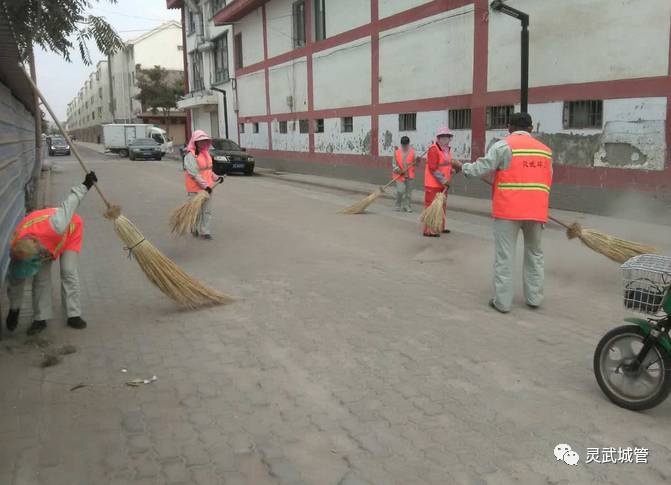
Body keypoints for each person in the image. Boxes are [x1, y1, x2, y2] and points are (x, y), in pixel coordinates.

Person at [452, 112, 553, 313]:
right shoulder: (545, 152)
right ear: (531, 129)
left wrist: (461, 167)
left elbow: (479, 169)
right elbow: (547, 180)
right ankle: (534, 298)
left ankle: (503, 302)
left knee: (505, 257)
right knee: (535, 255)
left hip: (509, 210)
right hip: (537, 210)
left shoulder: (503, 146)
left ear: (509, 127)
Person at [5, 172, 97, 335]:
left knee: (68, 271)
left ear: (38, 250)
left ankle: (73, 314)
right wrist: (14, 310)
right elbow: (15, 283)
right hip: (40, 245)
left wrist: (85, 185)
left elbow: (69, 204)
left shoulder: (56, 224)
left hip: (70, 230)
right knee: (41, 279)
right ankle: (40, 319)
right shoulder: (17, 250)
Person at [183, 130, 216, 240]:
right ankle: (193, 228)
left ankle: (205, 232)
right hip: (195, 189)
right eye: (200, 141)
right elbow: (194, 173)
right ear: (195, 142)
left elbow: (208, 170)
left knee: (207, 211)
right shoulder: (190, 155)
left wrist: (216, 177)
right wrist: (205, 186)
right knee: (195, 211)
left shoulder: (205, 153)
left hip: (208, 188)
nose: (203, 143)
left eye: (204, 141)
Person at [423, 127, 454, 237]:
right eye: (444, 137)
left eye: (448, 137)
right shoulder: (434, 149)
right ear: (439, 138)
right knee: (431, 207)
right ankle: (429, 230)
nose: (446, 139)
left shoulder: (447, 150)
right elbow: (433, 168)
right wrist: (444, 180)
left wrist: (452, 170)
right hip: (433, 184)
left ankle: (439, 227)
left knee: (441, 206)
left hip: (443, 184)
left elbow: (446, 164)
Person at [392, 136, 416, 212]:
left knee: (408, 193)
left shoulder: (412, 152)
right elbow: (394, 164)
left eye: (406, 145)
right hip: (399, 175)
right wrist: (399, 170)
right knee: (400, 191)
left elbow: (415, 163)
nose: (404, 146)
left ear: (408, 144)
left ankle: (407, 206)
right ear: (401, 144)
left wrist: (417, 161)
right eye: (403, 145)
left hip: (409, 175)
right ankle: (397, 205)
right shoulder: (397, 152)